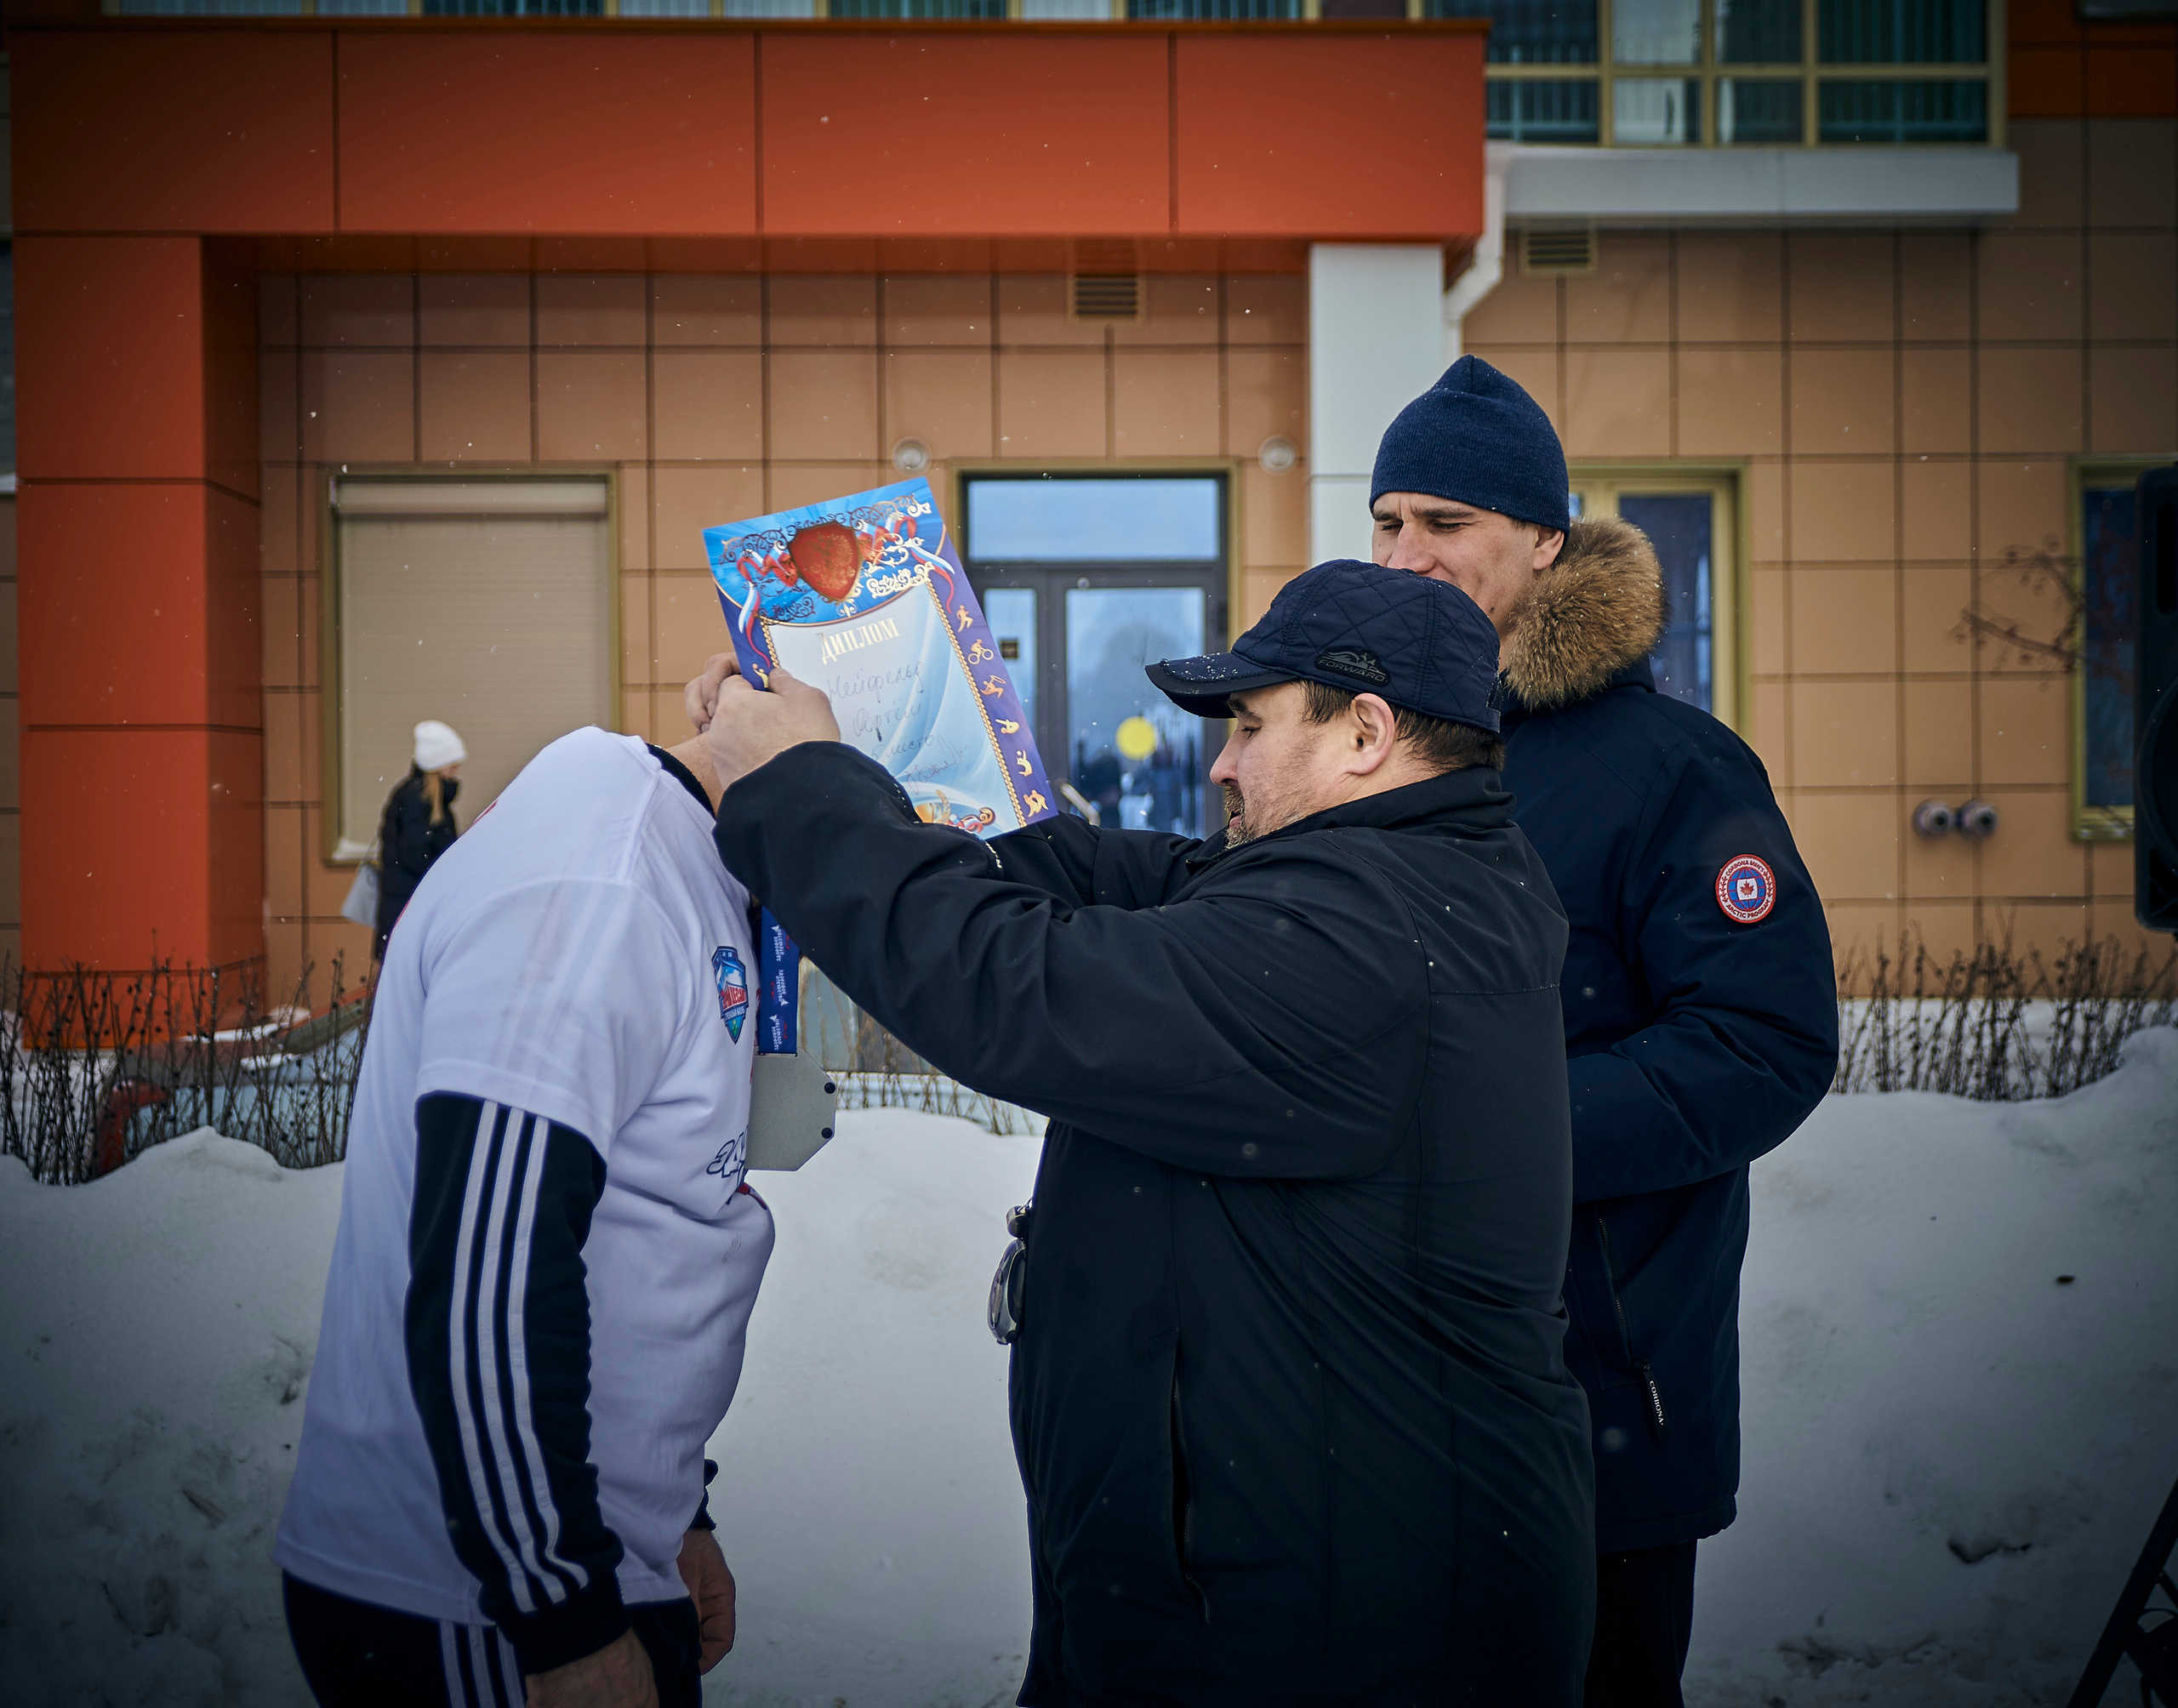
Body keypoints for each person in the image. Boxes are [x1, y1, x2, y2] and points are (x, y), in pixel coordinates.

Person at [689, 561, 1596, 1705]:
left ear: (1365, 732)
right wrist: (891, 759)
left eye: (1250, 727)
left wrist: (797, 789)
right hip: (1239, 1592)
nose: (1218, 762)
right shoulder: (1375, 881)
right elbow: (1089, 878)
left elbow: (1016, 984)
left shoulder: (1369, 937)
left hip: (1341, 1634)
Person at [1368, 356, 1839, 1706]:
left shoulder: (1676, 771)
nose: (1408, 555)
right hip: (1379, 1388)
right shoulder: (1372, 750)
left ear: (1545, 541)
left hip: (1596, 1401)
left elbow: (1764, 1046)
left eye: (1446, 524)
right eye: (1389, 522)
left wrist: (1494, 1135)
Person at [276, 726, 771, 1708]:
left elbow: (643, 1212)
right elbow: (485, 1275)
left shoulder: (675, 859)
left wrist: (676, 1510)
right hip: (482, 1610)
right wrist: (565, 1621)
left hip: (581, 1562)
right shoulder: (600, 884)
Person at [373, 719, 468, 961]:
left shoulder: (423, 798)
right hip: (412, 905)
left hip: (409, 904)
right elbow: (417, 855)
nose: (456, 769)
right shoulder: (419, 800)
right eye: (452, 763)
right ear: (438, 764)